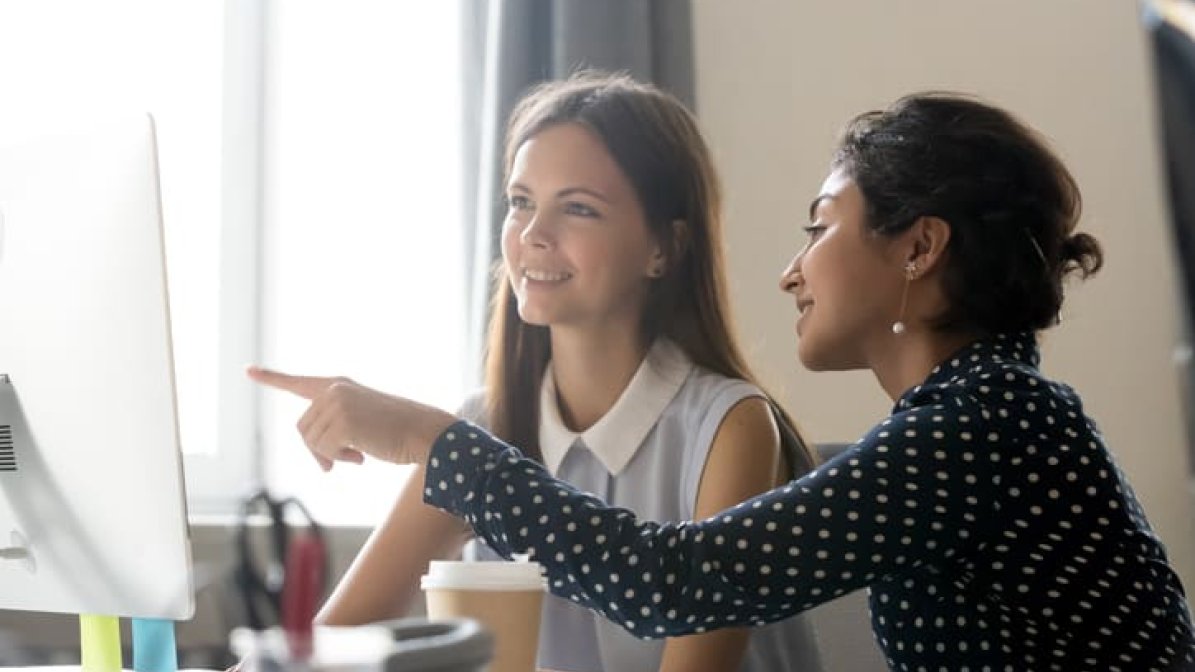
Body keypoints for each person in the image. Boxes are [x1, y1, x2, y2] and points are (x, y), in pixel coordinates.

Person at [255, 92, 1195, 670]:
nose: (793, 270)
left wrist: (431, 445)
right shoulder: (980, 418)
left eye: (820, 226)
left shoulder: (983, 427)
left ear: (918, 247)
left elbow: (680, 580)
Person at [250, 71, 824, 672]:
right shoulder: (484, 427)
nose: (533, 235)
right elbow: (323, 650)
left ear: (664, 247)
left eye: (578, 208)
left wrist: (421, 433)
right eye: (521, 202)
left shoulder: (731, 428)